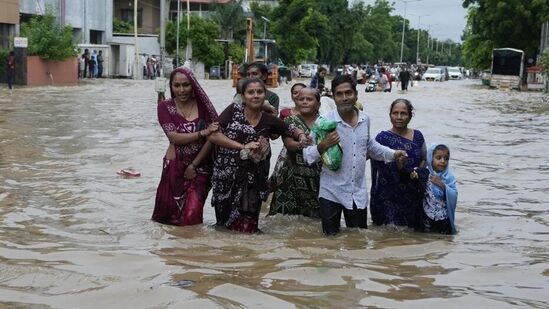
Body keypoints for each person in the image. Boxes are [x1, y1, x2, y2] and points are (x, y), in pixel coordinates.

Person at [303, 75, 408, 236]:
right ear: (334, 96)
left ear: (356, 95)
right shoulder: (323, 123)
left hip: (356, 192)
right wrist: (323, 145)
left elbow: (370, 146)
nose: (344, 98)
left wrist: (394, 154)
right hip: (330, 191)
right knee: (329, 242)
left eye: (348, 93)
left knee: (358, 240)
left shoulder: (365, 119)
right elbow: (307, 155)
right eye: (339, 94)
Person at [208, 78, 308, 233]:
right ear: (243, 96)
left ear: (265, 95)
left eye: (259, 92)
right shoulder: (232, 111)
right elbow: (213, 135)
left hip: (253, 180)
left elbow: (290, 129)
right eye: (250, 92)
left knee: (249, 229)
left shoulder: (269, 119)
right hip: (226, 178)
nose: (255, 95)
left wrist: (301, 136)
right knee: (223, 226)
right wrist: (242, 146)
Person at [152, 67, 219, 226]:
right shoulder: (165, 107)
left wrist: (194, 165)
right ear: (171, 86)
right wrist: (202, 133)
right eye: (177, 86)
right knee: (169, 218)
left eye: (186, 85)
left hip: (201, 166)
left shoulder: (204, 106)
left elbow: (215, 135)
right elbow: (173, 137)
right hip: (175, 166)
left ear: (193, 85)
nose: (181, 90)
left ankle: (193, 248)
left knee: (192, 215)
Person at [369, 99, 426, 228]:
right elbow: (368, 154)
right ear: (390, 115)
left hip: (412, 193)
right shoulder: (382, 138)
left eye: (403, 113)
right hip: (387, 196)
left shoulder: (418, 136)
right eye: (395, 113)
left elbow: (424, 158)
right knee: (390, 233)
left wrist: (418, 172)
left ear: (410, 116)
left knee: (410, 233)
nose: (399, 117)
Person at [269, 87, 322, 218]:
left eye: (309, 99)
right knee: (283, 220)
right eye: (301, 99)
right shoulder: (290, 120)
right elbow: (288, 144)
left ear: (318, 104)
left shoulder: (325, 122)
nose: (304, 102)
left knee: (315, 221)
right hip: (291, 177)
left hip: (317, 178)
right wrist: (300, 144)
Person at [414, 143, 458, 234]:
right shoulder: (424, 174)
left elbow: (454, 195)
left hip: (443, 218)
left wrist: (442, 185)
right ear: (430, 159)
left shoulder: (449, 177)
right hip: (427, 217)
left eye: (446, 159)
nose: (443, 161)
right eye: (438, 158)